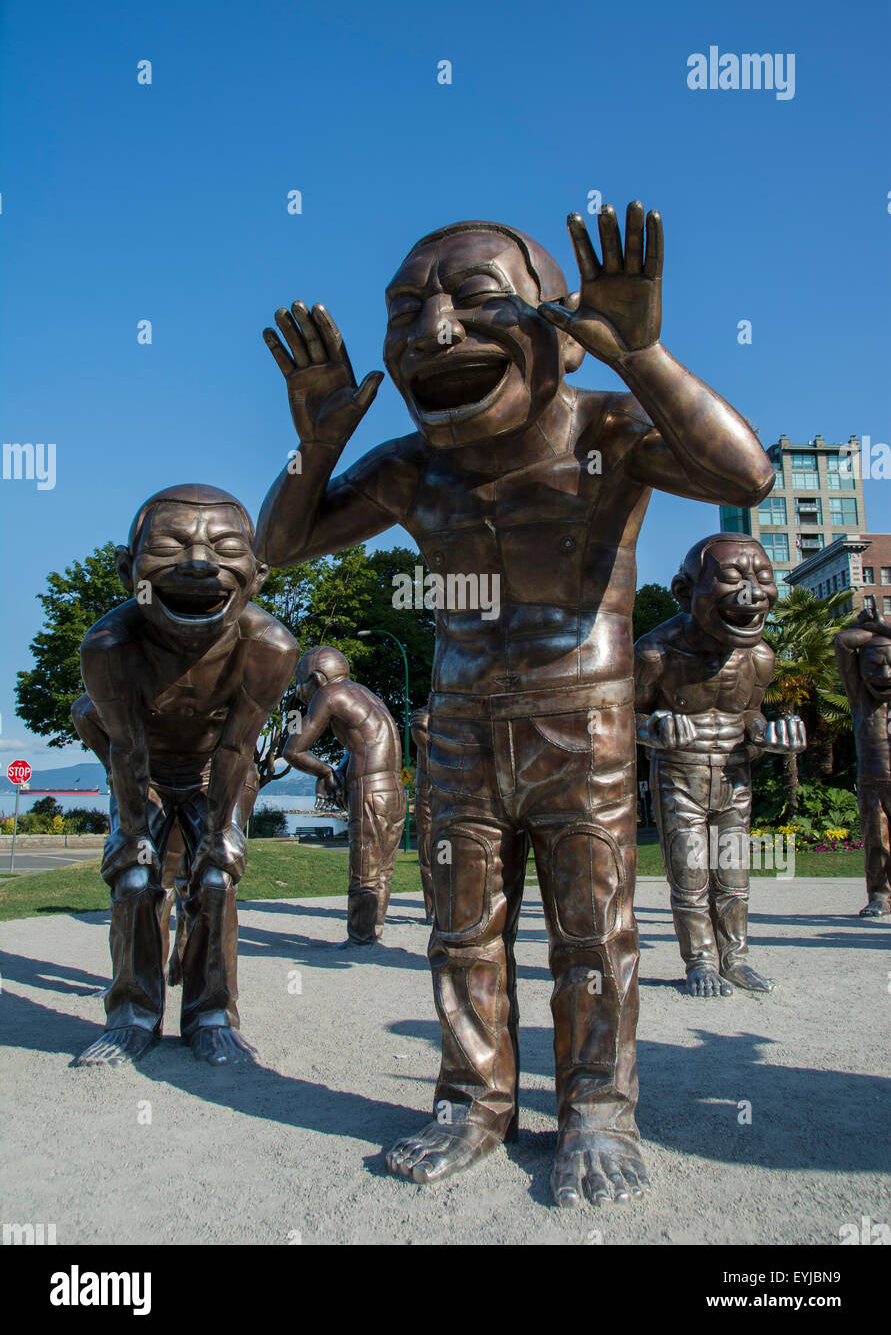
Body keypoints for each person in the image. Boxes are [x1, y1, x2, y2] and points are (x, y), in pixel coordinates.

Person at [255, 203, 774, 1205]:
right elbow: (281, 545)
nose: (435, 331)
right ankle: (473, 1099)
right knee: (460, 930)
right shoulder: (416, 468)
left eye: (476, 300)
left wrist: (645, 355)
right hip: (458, 732)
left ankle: (597, 1109)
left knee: (594, 933)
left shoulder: (610, 430)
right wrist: (314, 445)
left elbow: (743, 471)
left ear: (562, 337)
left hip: (584, 721)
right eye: (406, 312)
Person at [72, 483, 298, 1066]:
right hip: (145, 774)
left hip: (211, 775)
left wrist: (222, 835)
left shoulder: (268, 645)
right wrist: (132, 832)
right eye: (171, 547)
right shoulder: (109, 645)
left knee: (217, 882)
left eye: (225, 550)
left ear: (257, 575)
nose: (199, 565)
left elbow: (236, 748)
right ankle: (133, 1014)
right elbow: (126, 748)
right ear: (129, 570)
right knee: (135, 880)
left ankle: (212, 1014)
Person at [635, 534, 806, 995]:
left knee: (734, 877)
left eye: (763, 579)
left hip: (735, 778)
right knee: (691, 875)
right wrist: (651, 728)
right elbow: (616, 718)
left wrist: (771, 736)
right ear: (684, 591)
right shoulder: (656, 653)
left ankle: (736, 958)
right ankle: (700, 962)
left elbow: (749, 715)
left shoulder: (760, 658)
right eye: (732, 579)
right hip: (680, 778)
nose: (753, 593)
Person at [283, 646, 405, 944]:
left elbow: (292, 749)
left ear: (316, 678)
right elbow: (364, 744)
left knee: (363, 867)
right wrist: (337, 771)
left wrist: (324, 772)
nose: (301, 693)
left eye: (301, 686)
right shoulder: (363, 693)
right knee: (383, 868)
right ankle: (371, 931)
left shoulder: (329, 694)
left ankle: (360, 937)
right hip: (394, 790)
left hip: (369, 789)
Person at [835, 614, 891, 918]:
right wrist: (876, 633)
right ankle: (880, 895)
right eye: (874, 665)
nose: (884, 673)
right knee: (875, 844)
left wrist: (882, 628)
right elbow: (842, 642)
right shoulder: (860, 700)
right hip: (873, 783)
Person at [410, 705, 434, 924]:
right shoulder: (423, 716)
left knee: (448, 853)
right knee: (429, 853)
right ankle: (433, 909)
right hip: (429, 793)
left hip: (453, 795)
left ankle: (448, 906)